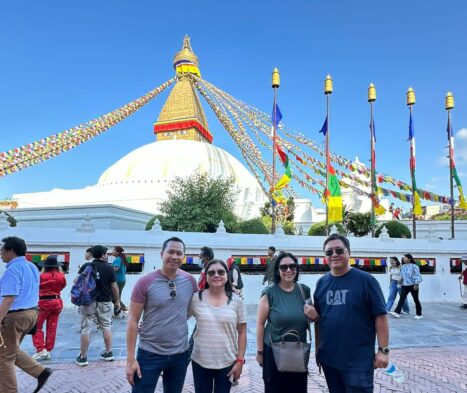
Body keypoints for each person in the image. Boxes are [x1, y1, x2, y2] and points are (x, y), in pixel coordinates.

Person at [313, 234, 389, 393]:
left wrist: (383, 350)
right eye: (329, 252)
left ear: (349, 252)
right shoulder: (321, 283)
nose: (334, 255)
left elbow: (381, 316)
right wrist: (318, 350)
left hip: (358, 361)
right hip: (330, 358)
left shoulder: (366, 280)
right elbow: (320, 320)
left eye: (339, 250)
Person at [126, 237, 198, 393]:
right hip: (149, 353)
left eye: (179, 253)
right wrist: (130, 359)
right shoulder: (145, 282)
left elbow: (202, 303)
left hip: (180, 354)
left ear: (183, 257)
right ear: (162, 254)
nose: (174, 256)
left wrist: (230, 292)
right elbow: (132, 319)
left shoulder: (190, 281)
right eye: (170, 252)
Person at [256, 251, 315, 393]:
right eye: (283, 267)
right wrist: (260, 352)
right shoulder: (269, 292)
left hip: (298, 352)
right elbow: (259, 323)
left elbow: (311, 318)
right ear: (277, 270)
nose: (288, 270)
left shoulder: (304, 291)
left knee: (298, 389)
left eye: (292, 266)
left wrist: (314, 315)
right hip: (274, 351)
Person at [0, 236, 53, 393]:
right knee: (10, 350)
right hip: (30, 314)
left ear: (11, 251)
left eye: (2, 250)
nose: (1, 254)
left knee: (4, 359)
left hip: (14, 316)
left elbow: (9, 297)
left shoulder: (13, 269)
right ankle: (40, 372)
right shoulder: (31, 266)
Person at [189, 259, 247, 393]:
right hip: (200, 361)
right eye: (211, 272)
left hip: (227, 362)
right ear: (206, 277)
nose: (216, 275)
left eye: (221, 272)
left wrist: (239, 361)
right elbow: (178, 318)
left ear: (227, 275)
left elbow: (242, 332)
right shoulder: (196, 298)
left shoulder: (236, 301)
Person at [75, 245, 120, 366]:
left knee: (86, 328)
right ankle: (108, 353)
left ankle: (83, 357)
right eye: (106, 254)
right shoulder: (109, 268)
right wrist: (117, 301)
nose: (107, 255)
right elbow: (114, 286)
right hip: (104, 301)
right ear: (102, 255)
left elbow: (76, 281)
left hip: (88, 301)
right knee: (106, 326)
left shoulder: (86, 266)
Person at [31, 255, 67, 361]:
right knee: (52, 327)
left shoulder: (41, 276)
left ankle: (41, 349)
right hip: (57, 302)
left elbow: (35, 288)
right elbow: (63, 286)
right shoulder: (61, 275)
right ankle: (48, 349)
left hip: (44, 302)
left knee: (36, 326)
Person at [390, 253, 423, 319]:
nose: (403, 259)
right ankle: (397, 312)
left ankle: (419, 314)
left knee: (416, 299)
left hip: (413, 285)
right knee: (401, 298)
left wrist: (416, 284)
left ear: (409, 259)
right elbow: (402, 276)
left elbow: (417, 275)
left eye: (404, 258)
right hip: (405, 285)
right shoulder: (403, 266)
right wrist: (400, 281)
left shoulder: (414, 266)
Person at [112, 246, 128, 312]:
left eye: (113, 250)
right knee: (117, 297)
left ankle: (124, 308)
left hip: (118, 280)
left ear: (117, 252)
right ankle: (117, 312)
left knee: (114, 297)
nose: (112, 251)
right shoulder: (122, 258)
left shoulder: (118, 259)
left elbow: (116, 268)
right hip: (122, 280)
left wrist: (107, 268)